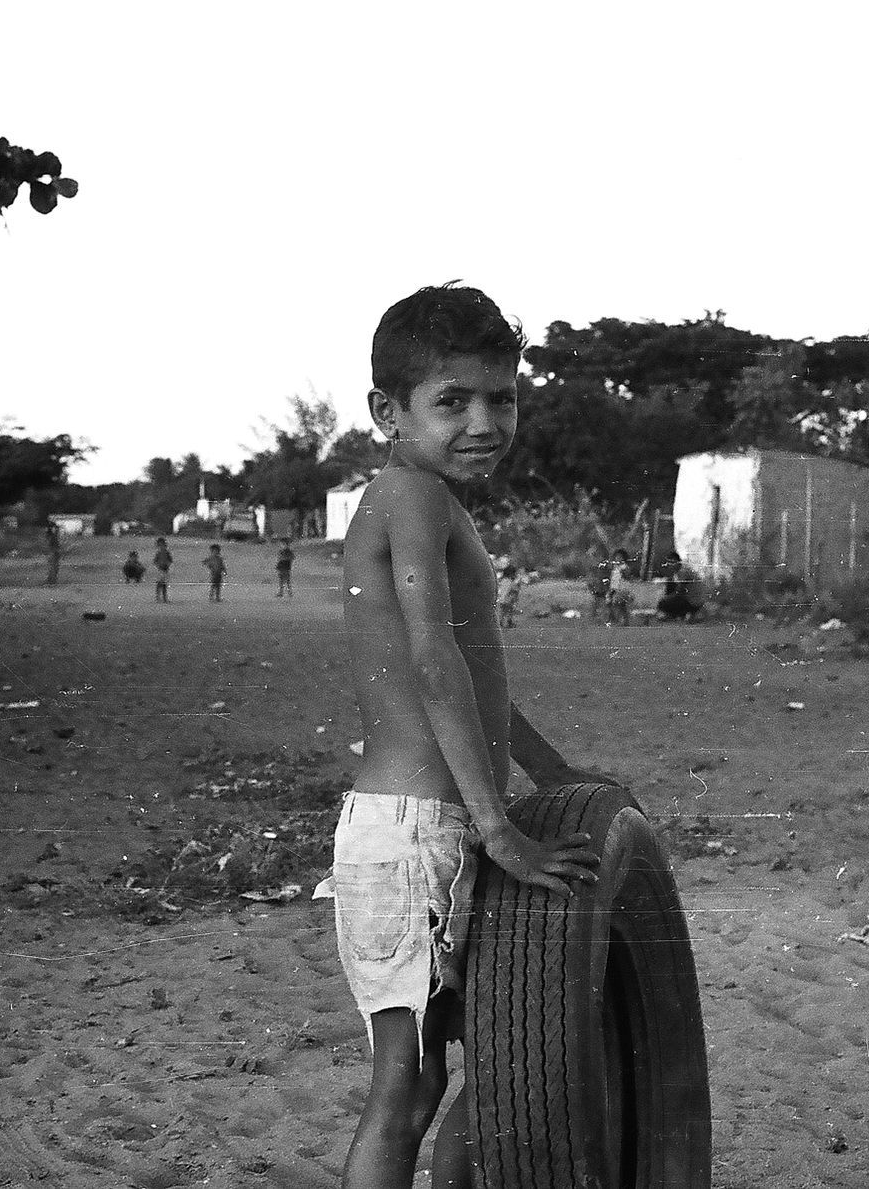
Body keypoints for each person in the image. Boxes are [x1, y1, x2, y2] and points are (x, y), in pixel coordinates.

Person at [337, 283, 601, 1188]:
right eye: (452, 401)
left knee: (479, 1076)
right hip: (414, 831)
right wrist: (499, 828)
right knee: (404, 1092)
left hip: (444, 826)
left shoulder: (438, 502)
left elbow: (476, 674)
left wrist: (561, 776)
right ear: (388, 412)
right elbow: (429, 658)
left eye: (503, 397)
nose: (484, 420)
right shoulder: (406, 493)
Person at [495, 562, 521, 629]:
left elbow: (500, 589)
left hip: (501, 599)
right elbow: (513, 589)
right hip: (508, 599)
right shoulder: (510, 582)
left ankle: (501, 623)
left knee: (502, 612)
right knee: (509, 612)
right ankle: (509, 622)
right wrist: (517, 585)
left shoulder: (503, 580)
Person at [151, 537, 172, 602]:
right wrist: (158, 565)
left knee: (164, 583)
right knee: (160, 583)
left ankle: (164, 597)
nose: (162, 547)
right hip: (160, 569)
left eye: (163, 545)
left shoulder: (167, 553)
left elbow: (170, 560)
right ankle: (158, 597)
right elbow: (155, 561)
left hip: (165, 569)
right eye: (160, 546)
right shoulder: (158, 553)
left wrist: (167, 564)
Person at [43, 517, 62, 586]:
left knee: (54, 566)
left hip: (54, 551)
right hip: (52, 551)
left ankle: (52, 581)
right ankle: (51, 581)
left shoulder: (53, 536)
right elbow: (49, 544)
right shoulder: (51, 536)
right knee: (52, 566)